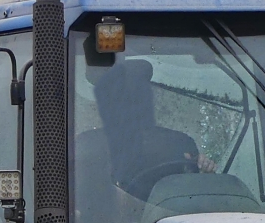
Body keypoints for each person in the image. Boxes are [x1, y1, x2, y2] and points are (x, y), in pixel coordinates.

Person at [76, 59, 211, 203]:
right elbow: (79, 199)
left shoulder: (180, 143)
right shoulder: (87, 145)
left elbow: (194, 195)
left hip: (166, 220)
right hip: (106, 222)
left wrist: (206, 173)